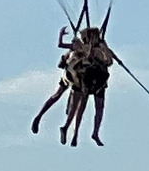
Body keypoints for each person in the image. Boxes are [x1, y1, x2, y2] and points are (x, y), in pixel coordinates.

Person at [28, 11, 118, 146]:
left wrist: (104, 51)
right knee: (65, 98)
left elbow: (109, 59)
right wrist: (62, 37)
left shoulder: (100, 47)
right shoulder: (80, 46)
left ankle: (81, 133)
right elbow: (66, 48)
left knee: (86, 105)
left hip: (88, 80)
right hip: (75, 76)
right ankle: (41, 118)